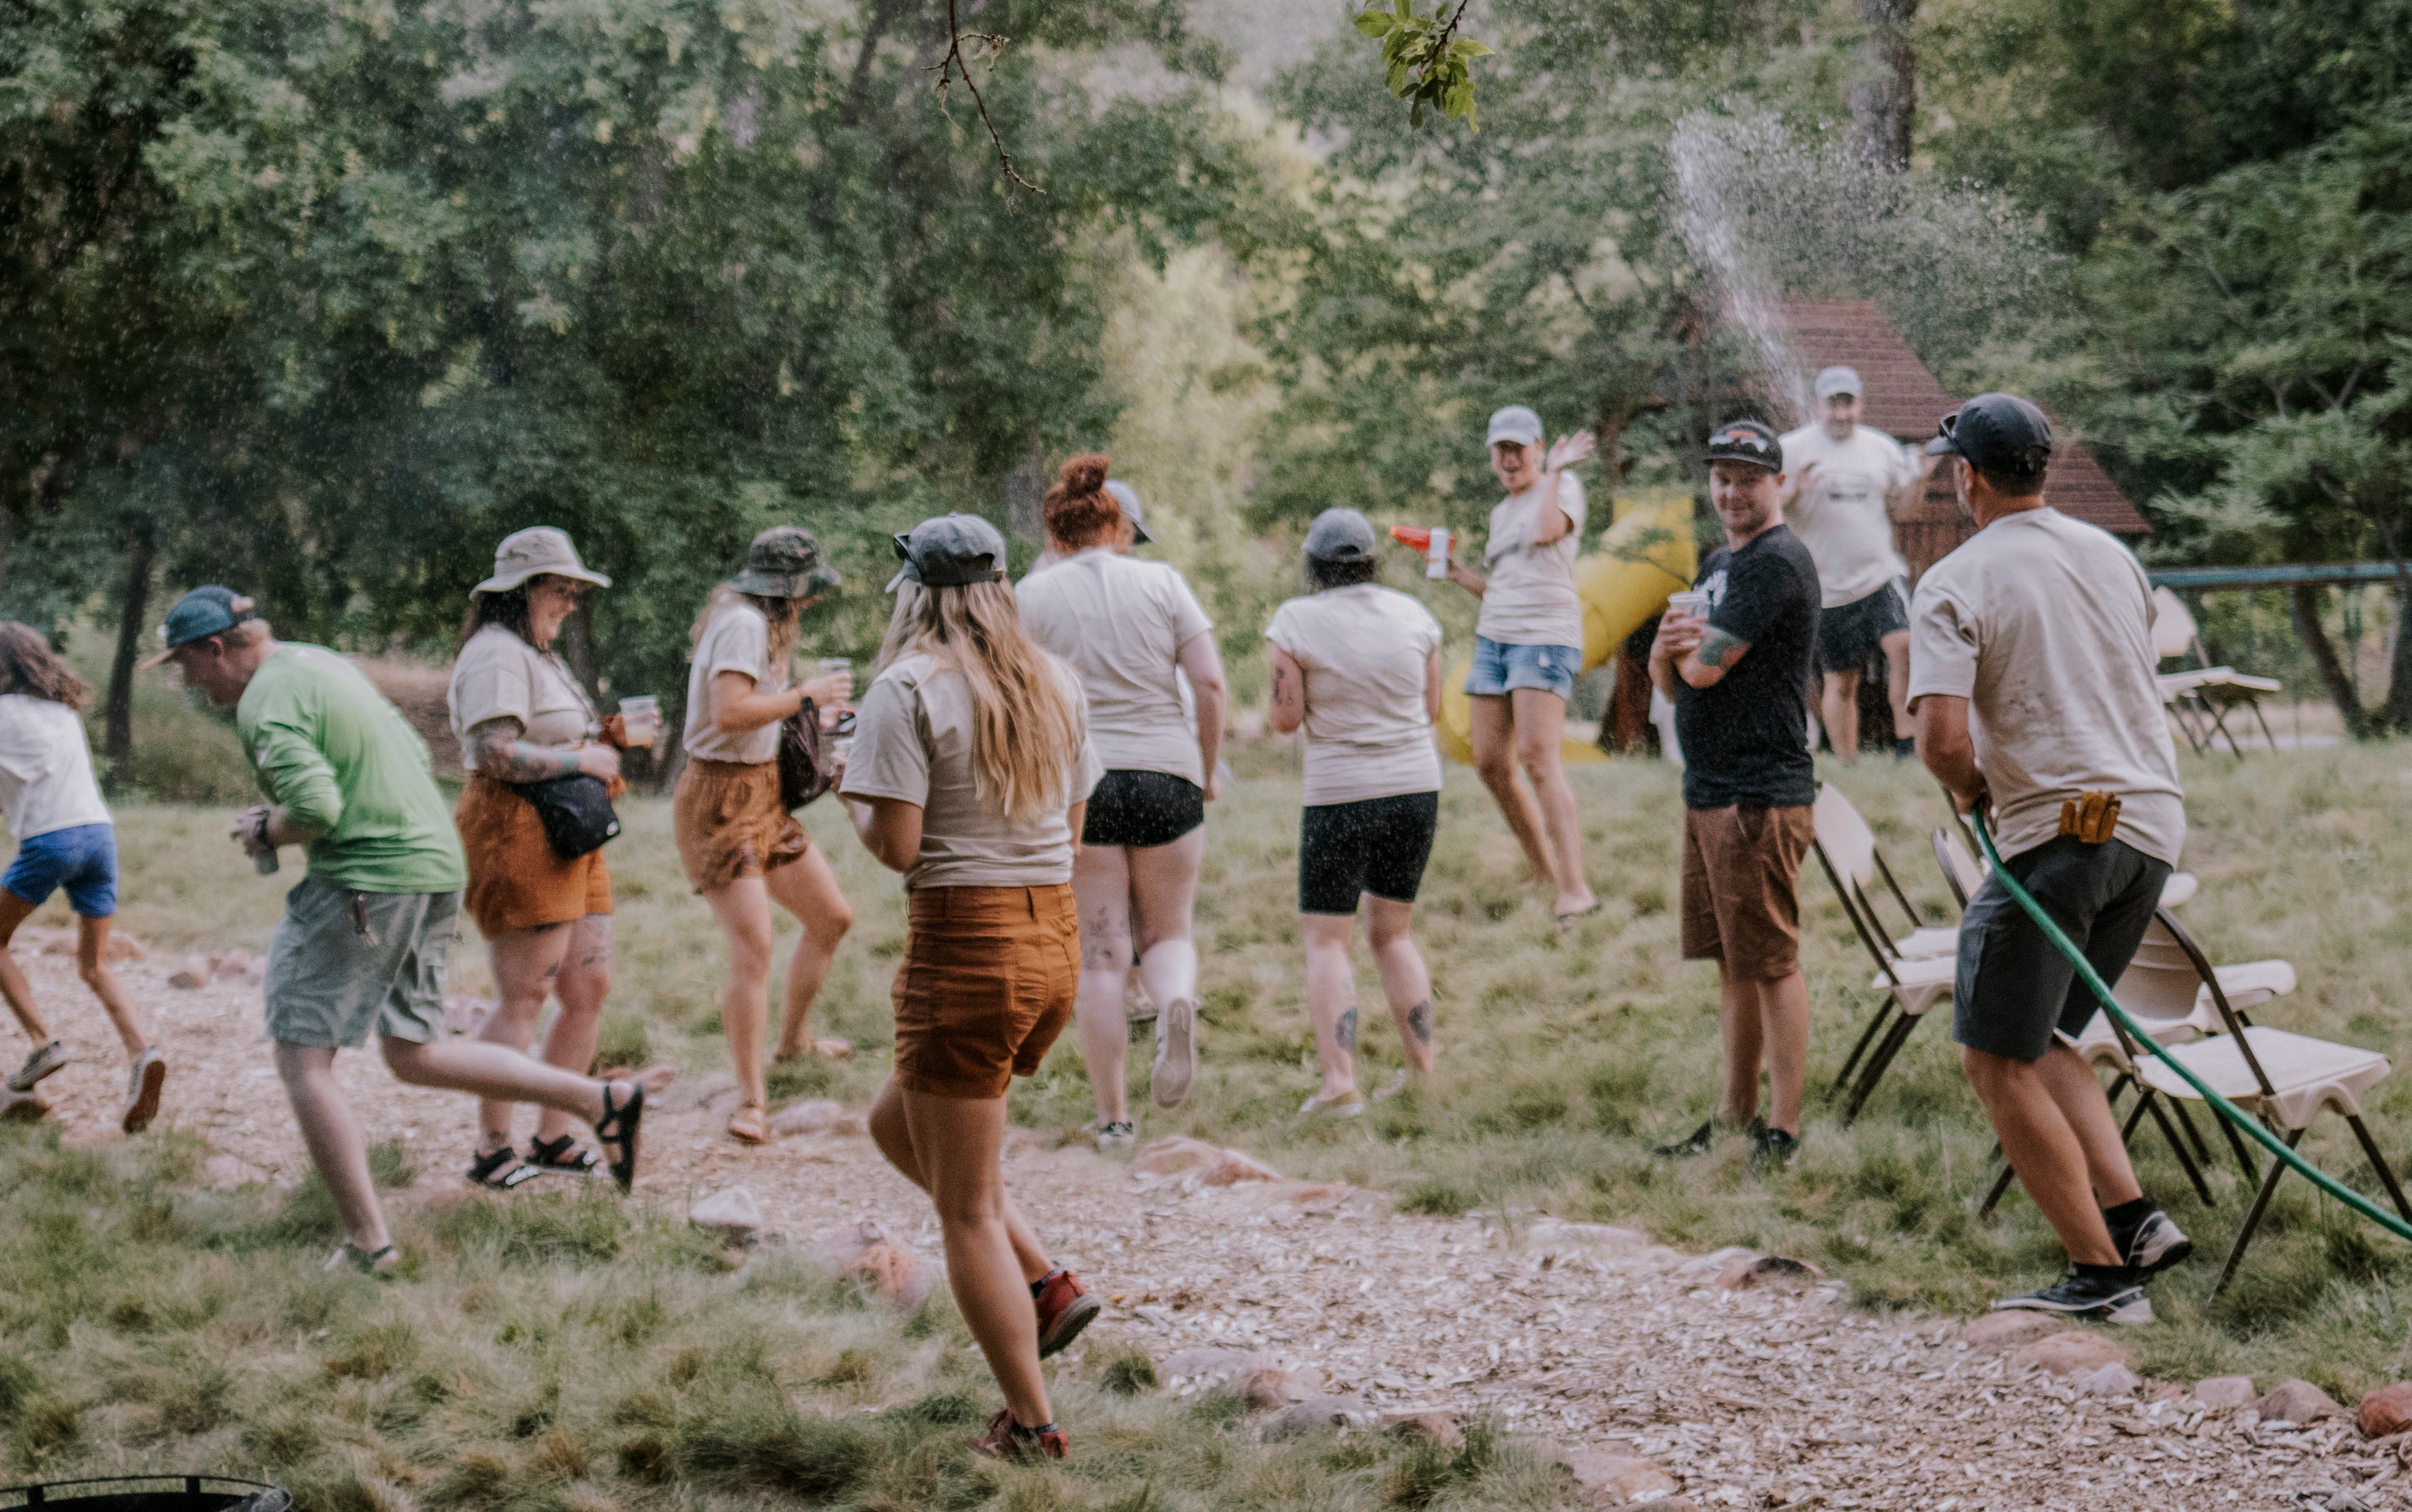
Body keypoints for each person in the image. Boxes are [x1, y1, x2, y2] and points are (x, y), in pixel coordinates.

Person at [151, 587, 663, 1272]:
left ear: (216, 649)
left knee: (303, 1058)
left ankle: (369, 1244)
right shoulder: (316, 663)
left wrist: (265, 828)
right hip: (432, 865)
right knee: (414, 1051)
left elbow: (315, 805)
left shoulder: (265, 701)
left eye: (186, 665)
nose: (187, 681)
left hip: (371, 877)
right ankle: (601, 1099)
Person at [1911, 393, 2191, 1323]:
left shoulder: (1955, 578)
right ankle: (2135, 1218)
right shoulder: (2110, 552)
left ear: (1969, 477)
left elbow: (1943, 741)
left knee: (1993, 1058)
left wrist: (1971, 789)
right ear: (2046, 468)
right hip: (2151, 827)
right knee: (2054, 1037)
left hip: (2063, 834)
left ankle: (2103, 1280)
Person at [840, 513, 1105, 1462]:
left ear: (919, 592)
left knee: (965, 1212)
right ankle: (1046, 1281)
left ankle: (1033, 1426)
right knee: (891, 1122)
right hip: (1051, 942)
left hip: (966, 947)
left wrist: (852, 792)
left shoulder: (906, 687)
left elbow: (899, 849)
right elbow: (1069, 838)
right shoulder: (1057, 681)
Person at [1017, 455, 1226, 1147]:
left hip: (1084, 783)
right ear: (1120, 526)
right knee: (1169, 933)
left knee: (1103, 957)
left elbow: (1015, 700)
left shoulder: (1030, 597)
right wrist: (1209, 766)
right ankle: (1173, 1002)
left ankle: (1114, 1119)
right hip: (1168, 772)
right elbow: (1210, 684)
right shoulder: (1162, 581)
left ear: (1057, 534)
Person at [1648, 420, 1820, 1168]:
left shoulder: (1775, 564)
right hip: (1711, 790)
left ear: (1777, 484)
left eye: (1748, 477)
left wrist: (1678, 654)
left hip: (1757, 795)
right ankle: (1733, 1115)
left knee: (1773, 962)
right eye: (1722, 476)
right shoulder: (1722, 562)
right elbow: (1669, 675)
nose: (1732, 491)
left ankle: (1781, 1131)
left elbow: (1704, 671)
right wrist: (1665, 651)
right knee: (1733, 962)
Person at [446, 527, 628, 1188]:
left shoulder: (537, 651)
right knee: (526, 992)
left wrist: (603, 742)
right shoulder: (496, 654)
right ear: (522, 592)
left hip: (571, 829)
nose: (571, 603)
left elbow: (554, 732)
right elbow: (495, 751)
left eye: (576, 592)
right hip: (516, 828)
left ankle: (553, 1136)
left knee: (587, 987)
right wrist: (583, 758)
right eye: (561, 590)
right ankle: (493, 1149)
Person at [675, 527, 856, 1145]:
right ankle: (752, 1100)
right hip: (719, 800)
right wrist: (807, 695)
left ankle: (794, 1044)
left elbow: (758, 707)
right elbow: (730, 711)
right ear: (788, 591)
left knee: (831, 918)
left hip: (761, 794)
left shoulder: (756, 622)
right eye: (807, 591)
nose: (810, 603)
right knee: (754, 947)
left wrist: (808, 714)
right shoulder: (744, 625)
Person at [1266, 510, 1445, 1119]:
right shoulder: (1415, 615)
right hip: (1416, 786)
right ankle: (1424, 1073)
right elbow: (1433, 708)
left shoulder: (1295, 619)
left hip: (1341, 792)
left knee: (1327, 941)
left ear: (1314, 564)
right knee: (1394, 933)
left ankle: (1340, 1085)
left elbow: (1285, 716)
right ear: (1372, 559)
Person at [0, 623, 163, 1132]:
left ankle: (42, 1044)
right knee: (93, 965)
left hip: (52, 841)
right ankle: (143, 1052)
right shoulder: (61, 713)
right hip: (100, 837)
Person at [1441, 405, 1599, 924]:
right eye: (1500, 449)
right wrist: (1460, 575)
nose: (1509, 458)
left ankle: (1575, 888)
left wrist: (1555, 471)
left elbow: (1546, 531)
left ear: (1537, 447)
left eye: (1518, 448)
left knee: (1537, 759)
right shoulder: (1498, 513)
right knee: (1490, 762)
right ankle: (1542, 870)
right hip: (1496, 638)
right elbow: (1505, 586)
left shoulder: (1562, 487)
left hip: (1544, 637)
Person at [1777, 366, 1937, 763]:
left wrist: (1920, 481)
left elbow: (1904, 510)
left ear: (1859, 404)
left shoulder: (1881, 448)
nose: (1841, 413)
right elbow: (1766, 508)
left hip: (1880, 573)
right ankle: (1848, 764)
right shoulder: (1791, 448)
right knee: (1841, 680)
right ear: (1818, 405)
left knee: (1906, 647)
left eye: (1847, 404)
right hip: (1826, 585)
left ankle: (1907, 748)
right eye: (1833, 404)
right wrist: (1794, 490)